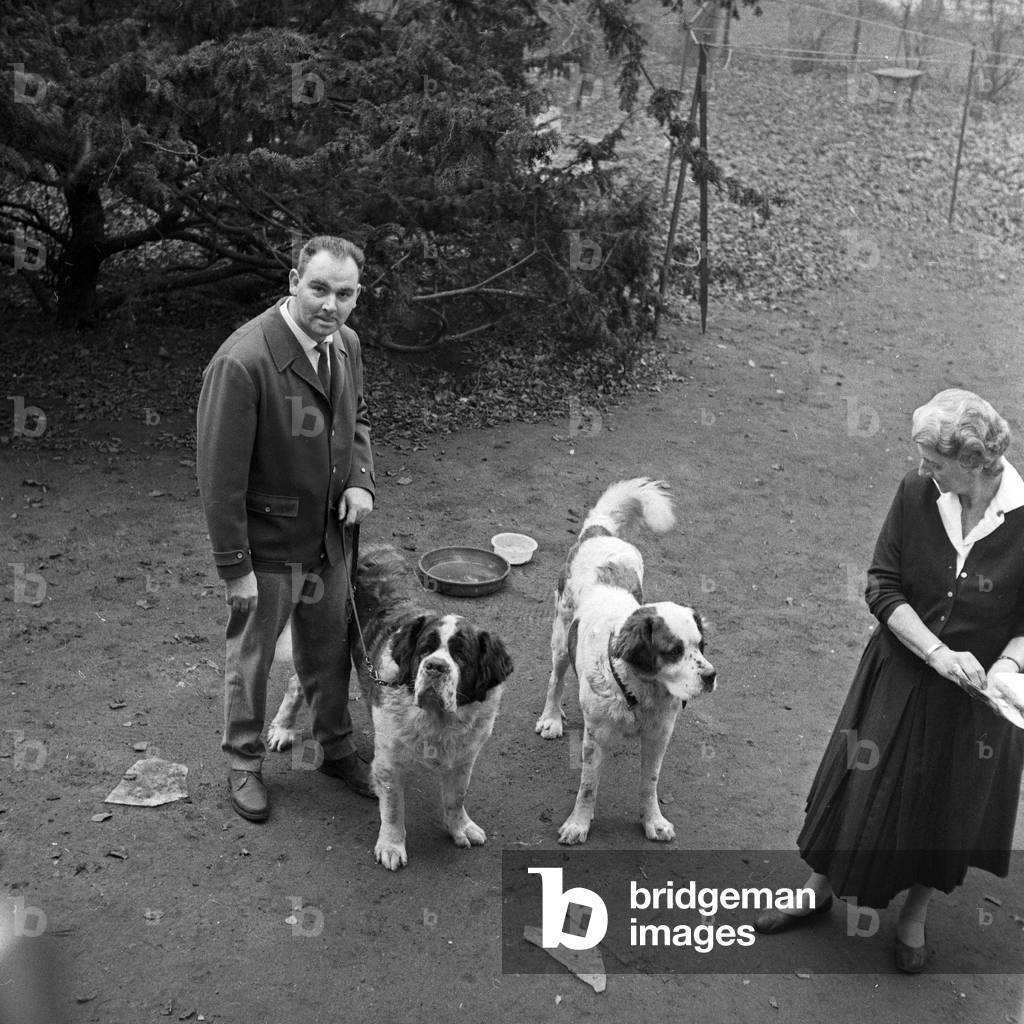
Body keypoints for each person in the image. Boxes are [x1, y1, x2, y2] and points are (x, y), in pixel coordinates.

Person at [754, 389, 1024, 973]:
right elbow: (882, 585)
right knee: (856, 782)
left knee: (942, 806)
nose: (923, 468)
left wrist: (1005, 666)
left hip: (977, 701)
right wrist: (935, 652)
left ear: (974, 460)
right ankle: (818, 888)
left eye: (935, 459)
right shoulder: (916, 492)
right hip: (901, 668)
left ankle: (914, 915)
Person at [197, 235, 376, 823]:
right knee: (250, 658)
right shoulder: (242, 363)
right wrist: (235, 568)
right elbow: (219, 480)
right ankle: (244, 761)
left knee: (328, 654)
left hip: (330, 539)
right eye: (319, 288)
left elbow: (354, 423)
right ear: (293, 279)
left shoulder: (344, 344)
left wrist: (358, 481)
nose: (330, 304)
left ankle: (333, 747)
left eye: (344, 293)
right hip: (268, 550)